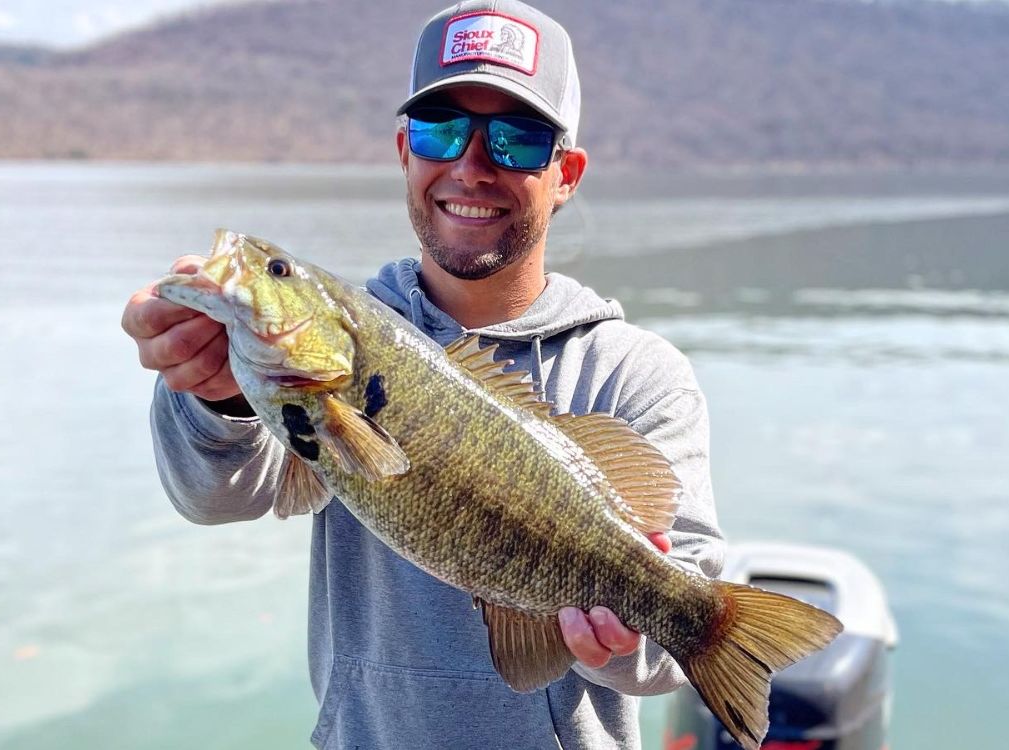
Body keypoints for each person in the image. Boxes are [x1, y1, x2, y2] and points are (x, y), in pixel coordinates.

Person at [121, 1, 724, 748]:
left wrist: (629, 639)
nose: (472, 166)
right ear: (404, 148)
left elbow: (681, 635)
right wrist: (216, 394)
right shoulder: (328, 357)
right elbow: (216, 498)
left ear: (564, 173)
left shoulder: (635, 374)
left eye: (516, 139)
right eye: (443, 130)